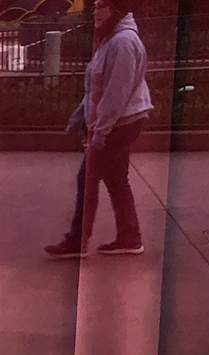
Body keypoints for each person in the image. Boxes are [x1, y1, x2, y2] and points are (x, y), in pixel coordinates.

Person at [44, 0, 153, 259]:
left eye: (102, 6)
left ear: (116, 10)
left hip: (122, 122)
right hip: (119, 120)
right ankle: (129, 237)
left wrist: (100, 132)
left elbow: (116, 95)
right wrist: (79, 116)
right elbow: (96, 88)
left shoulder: (123, 43)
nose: (96, 12)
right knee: (116, 179)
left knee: (88, 177)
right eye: (94, 7)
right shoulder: (110, 40)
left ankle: (77, 241)